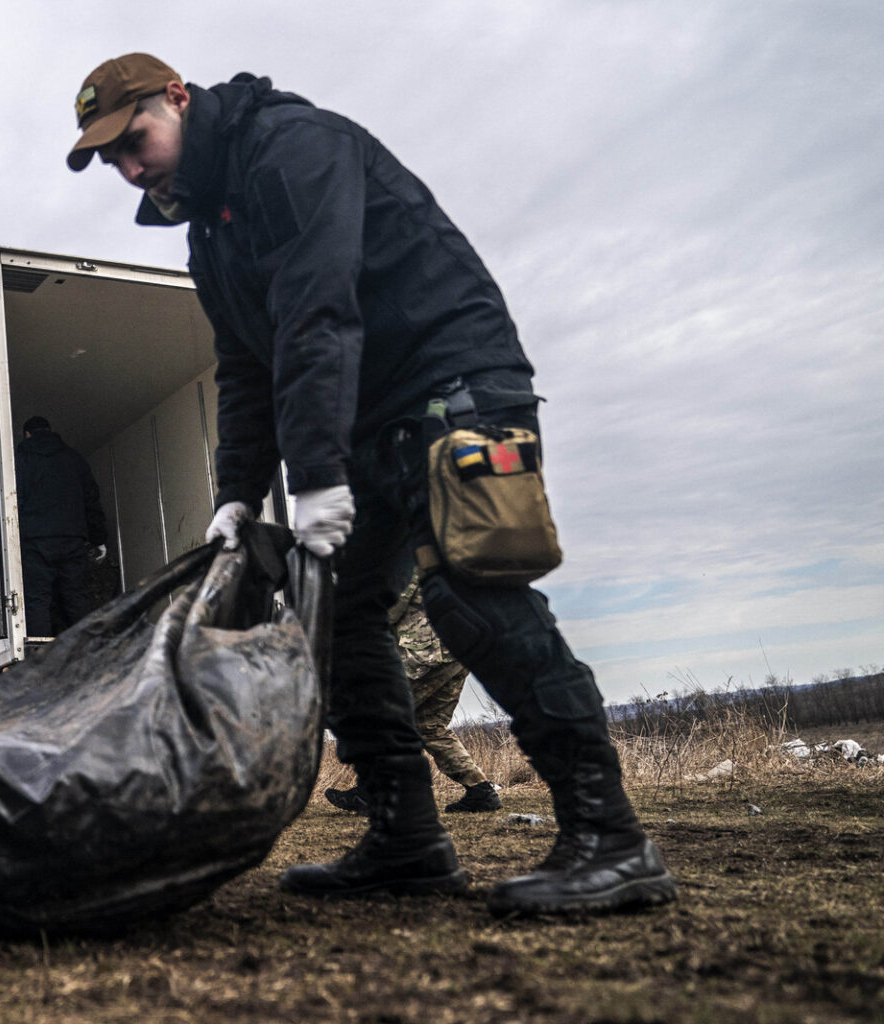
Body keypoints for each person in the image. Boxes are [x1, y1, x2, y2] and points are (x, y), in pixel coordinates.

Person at [66, 54, 674, 916]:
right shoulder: (212, 231)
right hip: (360, 415)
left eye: (135, 141)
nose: (130, 168)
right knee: (337, 617)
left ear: (179, 98)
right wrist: (235, 498)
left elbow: (321, 311)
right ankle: (406, 836)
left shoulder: (293, 148)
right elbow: (245, 366)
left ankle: (610, 837)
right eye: (112, 162)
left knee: (473, 595)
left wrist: (313, 476)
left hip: (453, 383)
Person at [326, 572, 501, 815]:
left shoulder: (407, 560)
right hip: (459, 652)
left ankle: (373, 794)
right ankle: (481, 790)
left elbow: (388, 609)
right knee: (430, 726)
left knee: (381, 715)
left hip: (423, 653)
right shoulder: (447, 561)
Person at [14, 416, 110, 637]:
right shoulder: (74, 459)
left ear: (27, 435)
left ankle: (40, 653)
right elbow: (91, 501)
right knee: (78, 597)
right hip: (72, 539)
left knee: (37, 599)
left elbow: (14, 500)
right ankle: (86, 647)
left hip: (36, 541)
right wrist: (99, 538)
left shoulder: (20, 461)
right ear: (50, 431)